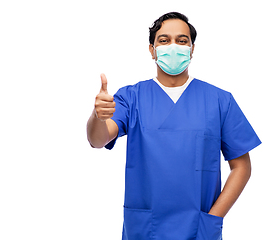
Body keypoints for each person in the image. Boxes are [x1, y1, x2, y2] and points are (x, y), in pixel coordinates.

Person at [87, 12, 261, 240]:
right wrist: (98, 116)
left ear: (192, 48)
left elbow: (242, 167)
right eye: (164, 40)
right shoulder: (131, 98)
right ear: (152, 50)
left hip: (199, 228)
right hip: (146, 229)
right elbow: (98, 140)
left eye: (181, 40)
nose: (173, 46)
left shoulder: (219, 100)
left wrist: (213, 218)